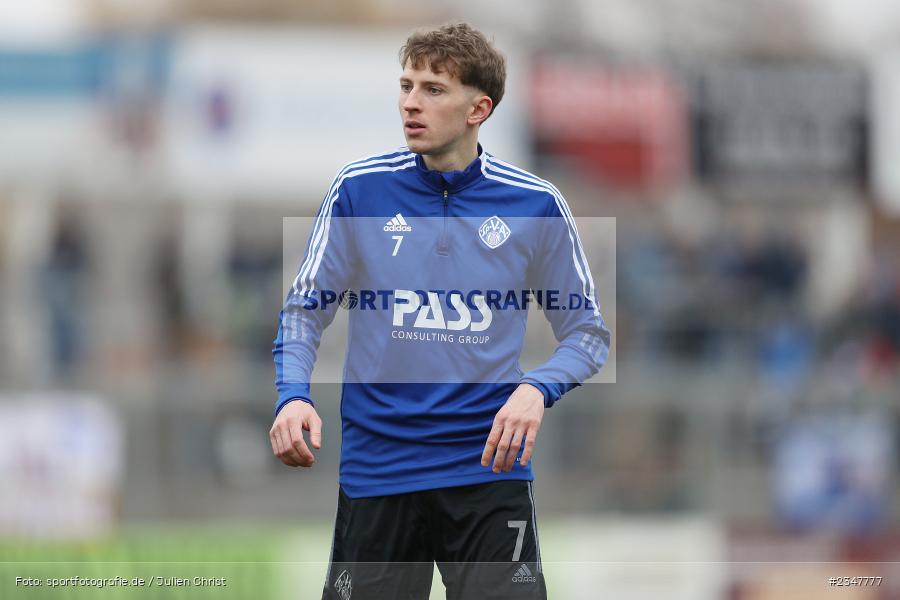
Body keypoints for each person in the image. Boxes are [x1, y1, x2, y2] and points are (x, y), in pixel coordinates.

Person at [271, 22, 610, 600]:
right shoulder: (359, 191)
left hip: (488, 473)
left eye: (432, 89)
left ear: (480, 107)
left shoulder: (535, 204)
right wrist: (293, 393)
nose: (410, 102)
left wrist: (537, 389)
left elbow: (587, 334)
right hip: (379, 473)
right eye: (406, 85)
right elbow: (305, 307)